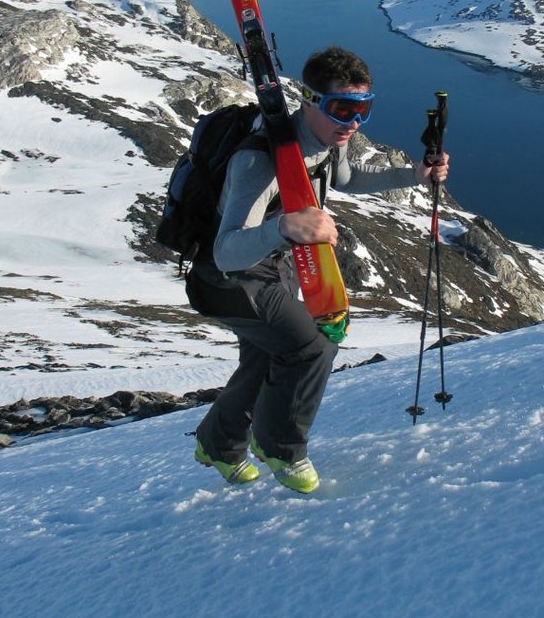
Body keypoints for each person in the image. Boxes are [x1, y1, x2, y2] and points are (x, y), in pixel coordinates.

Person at [188, 46, 449, 493]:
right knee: (312, 348)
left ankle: (218, 445)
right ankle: (282, 449)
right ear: (309, 101)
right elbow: (227, 251)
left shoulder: (326, 143)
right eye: (341, 109)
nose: (353, 122)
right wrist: (285, 227)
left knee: (268, 359)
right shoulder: (260, 161)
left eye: (363, 110)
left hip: (273, 269)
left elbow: (347, 179)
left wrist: (414, 175)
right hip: (228, 280)